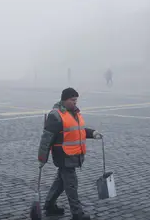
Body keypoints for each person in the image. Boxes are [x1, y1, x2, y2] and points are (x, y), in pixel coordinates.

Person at [37, 87, 102, 220]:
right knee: (71, 185)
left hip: (74, 154)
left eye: (76, 100)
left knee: (60, 183)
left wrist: (92, 133)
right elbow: (46, 139)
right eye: (73, 100)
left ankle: (49, 206)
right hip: (64, 156)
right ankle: (77, 214)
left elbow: (79, 130)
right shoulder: (55, 115)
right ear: (65, 100)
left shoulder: (75, 113)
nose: (75, 102)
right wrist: (42, 158)